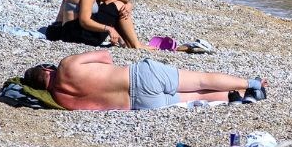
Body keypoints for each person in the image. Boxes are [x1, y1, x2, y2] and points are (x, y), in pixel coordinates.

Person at [21, 50, 269, 110]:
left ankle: (240, 99)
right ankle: (252, 85)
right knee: (201, 80)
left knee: (194, 97)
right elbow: (106, 57)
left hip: (139, 104)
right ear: (47, 69)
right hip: (138, 76)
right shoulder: (67, 65)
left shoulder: (61, 100)